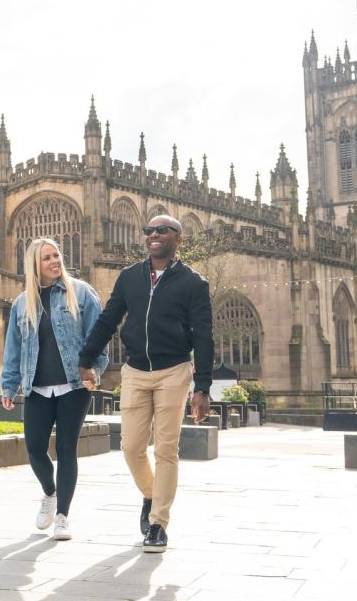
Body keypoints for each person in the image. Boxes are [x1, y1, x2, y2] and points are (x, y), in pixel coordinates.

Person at [79, 214, 212, 553]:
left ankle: (158, 523)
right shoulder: (129, 277)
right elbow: (109, 320)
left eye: (161, 230)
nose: (153, 235)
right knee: (131, 447)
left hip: (174, 371)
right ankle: (152, 495)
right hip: (135, 371)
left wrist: (203, 388)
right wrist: (86, 359)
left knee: (166, 449)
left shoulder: (193, 283)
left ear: (177, 238)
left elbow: (203, 336)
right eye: (148, 230)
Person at [1, 237, 106, 542]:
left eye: (56, 255)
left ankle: (62, 516)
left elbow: (97, 337)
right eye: (47, 258)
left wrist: (94, 371)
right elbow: (13, 347)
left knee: (66, 449)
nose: (54, 262)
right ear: (35, 264)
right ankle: (50, 492)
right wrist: (9, 385)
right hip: (37, 386)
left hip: (74, 386)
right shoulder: (22, 303)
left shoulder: (82, 293)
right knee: (34, 447)